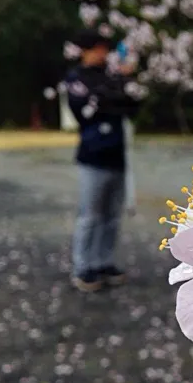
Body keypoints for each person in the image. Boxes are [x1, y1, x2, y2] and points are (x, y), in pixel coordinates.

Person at [65, 30, 140, 292]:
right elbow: (86, 110)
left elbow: (130, 104)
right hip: (93, 156)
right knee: (90, 214)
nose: (101, 53)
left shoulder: (111, 76)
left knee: (112, 215)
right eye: (96, 48)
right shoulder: (76, 78)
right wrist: (112, 95)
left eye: (104, 48)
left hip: (117, 155)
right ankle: (83, 265)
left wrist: (115, 91)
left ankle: (103, 260)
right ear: (85, 50)